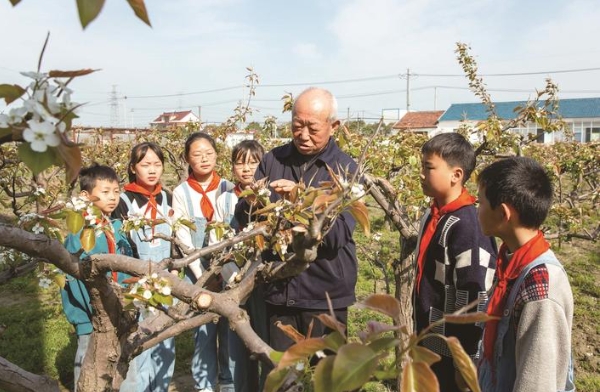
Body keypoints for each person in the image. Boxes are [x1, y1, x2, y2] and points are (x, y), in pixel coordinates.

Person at [235, 87, 359, 353]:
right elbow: (248, 220)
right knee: (283, 377)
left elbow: (337, 236)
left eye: (312, 128)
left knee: (327, 376)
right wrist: (252, 203)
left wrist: (299, 199)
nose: (303, 135)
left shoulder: (345, 169)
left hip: (325, 296)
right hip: (280, 290)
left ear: (333, 126)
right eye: (296, 126)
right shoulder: (273, 159)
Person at [476, 156, 574, 392]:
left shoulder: (540, 288)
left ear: (503, 213)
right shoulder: (511, 262)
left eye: (480, 202)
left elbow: (538, 382)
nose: (476, 209)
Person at [413, 132, 497, 392]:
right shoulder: (434, 214)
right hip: (432, 341)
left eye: (429, 168)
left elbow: (473, 297)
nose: (422, 174)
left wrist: (465, 362)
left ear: (456, 175)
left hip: (451, 351)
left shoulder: (467, 226)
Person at [60, 163, 134, 392]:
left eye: (116, 191)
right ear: (85, 195)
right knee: (88, 363)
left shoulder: (116, 226)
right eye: (105, 192)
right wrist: (93, 311)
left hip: (118, 310)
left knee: (120, 362)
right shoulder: (80, 232)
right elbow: (76, 277)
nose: (113, 197)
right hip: (91, 315)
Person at [172, 132, 235, 392]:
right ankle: (204, 385)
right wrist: (202, 273)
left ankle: (229, 382)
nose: (204, 158)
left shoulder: (229, 188)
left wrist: (226, 269)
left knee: (230, 331)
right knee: (203, 331)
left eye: (208, 152)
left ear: (217, 155)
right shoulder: (181, 191)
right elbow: (182, 235)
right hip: (196, 270)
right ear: (187, 158)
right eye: (196, 154)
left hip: (231, 268)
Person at [112, 142, 176, 392]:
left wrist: (172, 267)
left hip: (165, 279)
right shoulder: (124, 201)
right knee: (140, 340)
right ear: (132, 167)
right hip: (135, 280)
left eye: (157, 164)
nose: (152, 170)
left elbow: (176, 235)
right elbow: (120, 245)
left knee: (165, 339)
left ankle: (161, 386)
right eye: (145, 164)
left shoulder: (168, 197)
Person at [215, 139, 267, 392]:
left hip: (263, 278)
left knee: (263, 337)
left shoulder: (269, 197)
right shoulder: (224, 199)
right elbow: (219, 243)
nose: (246, 169)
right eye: (239, 163)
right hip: (233, 277)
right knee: (237, 340)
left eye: (253, 163)